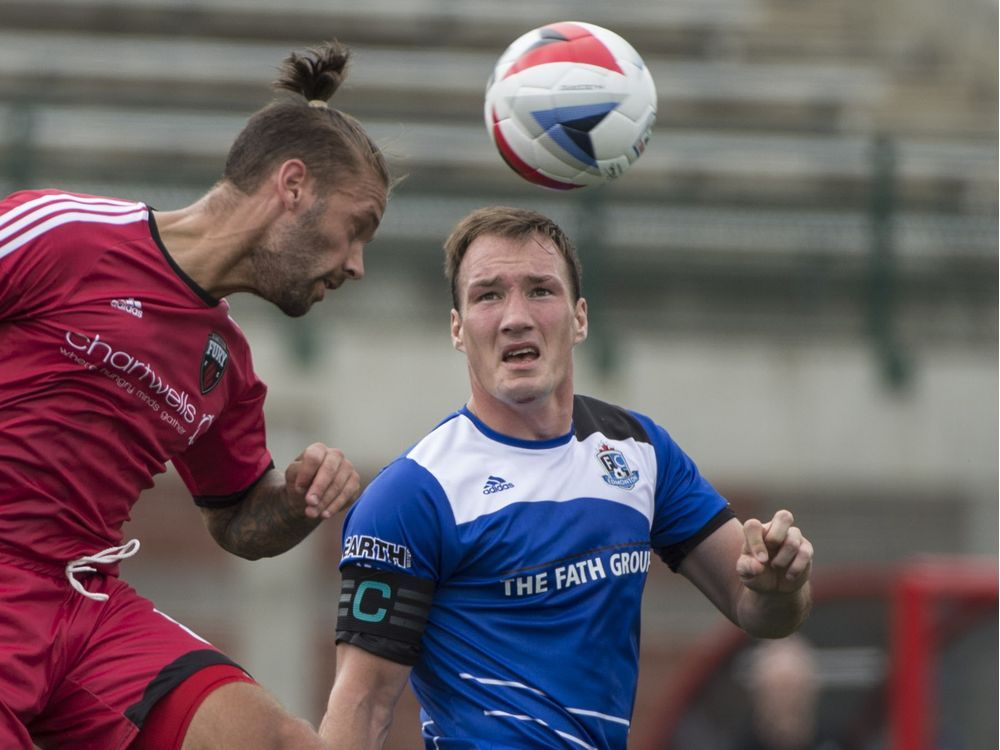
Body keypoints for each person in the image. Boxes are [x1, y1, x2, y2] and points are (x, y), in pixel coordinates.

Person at [0, 41, 389, 750]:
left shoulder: (227, 367)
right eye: (356, 228)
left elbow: (236, 522)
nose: (357, 265)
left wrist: (299, 501)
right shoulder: (62, 235)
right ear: (293, 186)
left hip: (84, 608)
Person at [319, 206, 814, 750]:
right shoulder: (412, 494)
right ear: (458, 329)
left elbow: (758, 610)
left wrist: (780, 586)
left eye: (539, 290)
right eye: (488, 295)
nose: (515, 317)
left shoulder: (642, 452)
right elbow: (361, 707)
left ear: (579, 317)